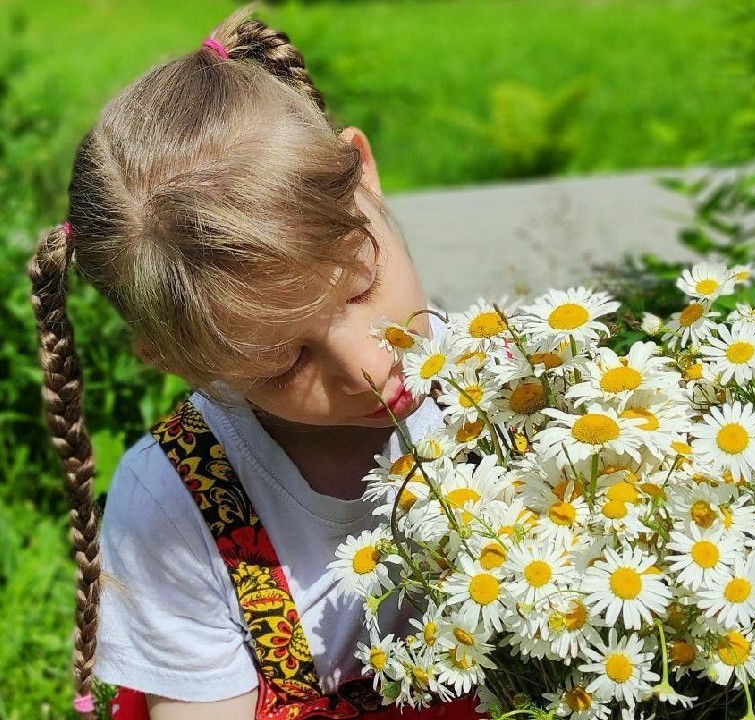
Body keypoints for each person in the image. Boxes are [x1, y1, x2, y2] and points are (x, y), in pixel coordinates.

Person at [30, 7, 482, 719]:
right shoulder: (176, 510)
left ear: (363, 172)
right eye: (284, 360)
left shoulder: (507, 384)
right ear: (178, 360)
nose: (366, 365)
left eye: (363, 286)